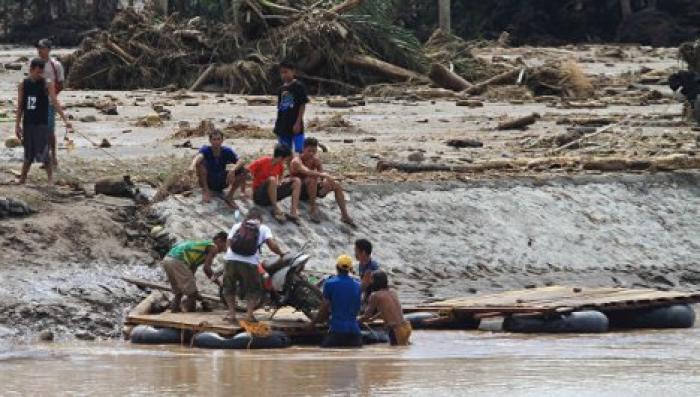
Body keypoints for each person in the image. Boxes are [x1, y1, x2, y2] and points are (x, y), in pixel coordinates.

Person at [222, 208, 285, 323]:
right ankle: (249, 315)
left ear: (247, 217)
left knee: (229, 287)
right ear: (260, 219)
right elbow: (271, 244)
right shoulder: (263, 228)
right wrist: (281, 254)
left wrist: (229, 255)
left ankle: (231, 314)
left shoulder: (238, 225)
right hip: (249, 262)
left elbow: (229, 242)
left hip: (231, 260)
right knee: (254, 289)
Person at [15, 58, 71, 185]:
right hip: (28, 122)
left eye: (42, 72)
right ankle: (23, 178)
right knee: (28, 152)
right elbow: (20, 105)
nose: (40, 74)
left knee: (44, 151)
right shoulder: (23, 84)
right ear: (31, 70)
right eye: (37, 72)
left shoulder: (47, 83)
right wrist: (17, 125)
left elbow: (55, 102)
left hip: (41, 122)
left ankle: (50, 179)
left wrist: (65, 119)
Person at [290, 137, 355, 226]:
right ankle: (312, 210)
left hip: (312, 189)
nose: (312, 153)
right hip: (299, 191)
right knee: (312, 178)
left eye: (314, 151)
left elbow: (321, 172)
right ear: (303, 149)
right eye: (309, 151)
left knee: (335, 184)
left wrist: (325, 181)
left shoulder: (315, 160)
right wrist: (324, 176)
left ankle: (344, 215)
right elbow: (307, 172)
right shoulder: (296, 161)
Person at [161, 232, 228, 313]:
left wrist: (197, 294)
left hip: (167, 259)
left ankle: (174, 312)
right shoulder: (213, 247)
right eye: (225, 245)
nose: (224, 249)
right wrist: (220, 284)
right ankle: (189, 318)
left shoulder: (202, 246)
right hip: (178, 261)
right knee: (192, 294)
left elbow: (191, 269)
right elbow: (206, 269)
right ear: (219, 240)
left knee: (178, 292)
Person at [311, 255, 363, 348]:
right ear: (350, 269)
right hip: (355, 332)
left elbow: (324, 308)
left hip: (337, 330)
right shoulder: (358, 285)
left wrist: (312, 323)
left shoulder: (330, 283)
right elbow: (358, 308)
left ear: (336, 267)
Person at [189, 129, 247, 208]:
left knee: (242, 170)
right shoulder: (206, 150)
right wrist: (192, 165)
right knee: (200, 164)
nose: (216, 142)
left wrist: (233, 170)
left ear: (222, 140)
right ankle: (206, 191)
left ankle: (230, 196)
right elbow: (199, 157)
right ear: (210, 141)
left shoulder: (226, 151)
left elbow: (241, 160)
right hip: (208, 181)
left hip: (222, 180)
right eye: (214, 139)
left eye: (218, 139)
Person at [248, 144, 302, 223]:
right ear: (281, 157)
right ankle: (275, 208)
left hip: (271, 195)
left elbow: (279, 181)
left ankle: (293, 212)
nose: (286, 161)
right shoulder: (262, 161)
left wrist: (283, 182)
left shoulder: (280, 166)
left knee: (296, 181)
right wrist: (244, 189)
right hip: (259, 196)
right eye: (286, 158)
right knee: (272, 179)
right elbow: (247, 171)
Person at [358, 271, 412, 346]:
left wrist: (357, 320)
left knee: (395, 354)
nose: (370, 282)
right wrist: (375, 317)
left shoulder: (375, 295)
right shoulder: (393, 291)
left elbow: (366, 316)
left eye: (372, 280)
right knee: (402, 351)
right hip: (406, 327)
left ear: (376, 281)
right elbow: (388, 309)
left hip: (395, 330)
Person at [35, 39, 65, 168]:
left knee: (49, 131)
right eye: (38, 48)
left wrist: (51, 95)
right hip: (37, 102)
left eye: (42, 48)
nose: (39, 50)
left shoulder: (55, 65)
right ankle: (45, 157)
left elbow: (61, 84)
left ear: (48, 49)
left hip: (49, 102)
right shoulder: (35, 63)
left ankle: (53, 157)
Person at [273, 61, 309, 154]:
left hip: (295, 122)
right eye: (281, 73)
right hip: (283, 124)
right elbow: (280, 108)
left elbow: (302, 104)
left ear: (293, 72)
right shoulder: (281, 89)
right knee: (284, 151)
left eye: (286, 72)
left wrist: (298, 122)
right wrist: (278, 126)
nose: (284, 75)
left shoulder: (299, 86)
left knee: (299, 150)